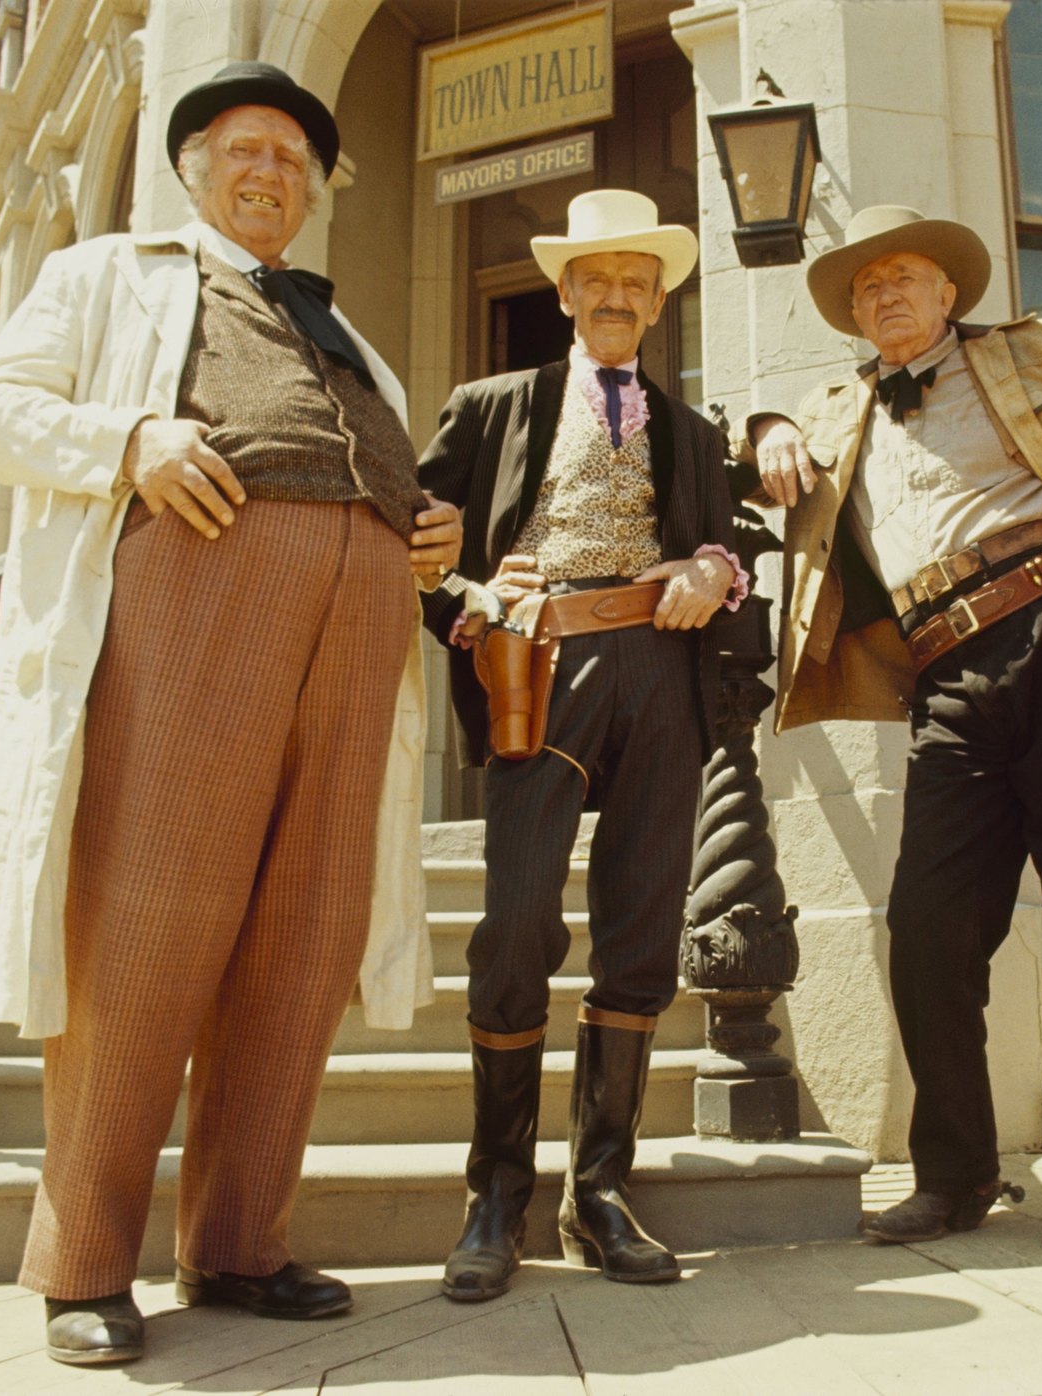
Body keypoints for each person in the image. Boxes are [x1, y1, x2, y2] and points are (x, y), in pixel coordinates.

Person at [0, 62, 463, 1365]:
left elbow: (383, 477)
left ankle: (240, 1242)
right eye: (245, 148)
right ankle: (84, 1266)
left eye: (294, 160)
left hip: (355, 635)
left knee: (307, 929)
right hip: (191, 599)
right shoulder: (106, 276)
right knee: (145, 917)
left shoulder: (355, 344)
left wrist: (429, 531)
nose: (270, 172)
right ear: (191, 169)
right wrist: (128, 442)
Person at [744, 205, 1042, 1248]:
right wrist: (766, 427)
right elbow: (728, 444)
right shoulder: (837, 407)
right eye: (863, 287)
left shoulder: (1037, 349)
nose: (881, 295)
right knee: (927, 930)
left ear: (947, 293)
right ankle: (955, 1173)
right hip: (942, 671)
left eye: (902, 277)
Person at [418, 189, 742, 1300]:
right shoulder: (491, 404)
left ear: (657, 303)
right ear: (563, 293)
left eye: (636, 283)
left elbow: (724, 550)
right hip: (538, 665)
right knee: (512, 923)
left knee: (642, 926)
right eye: (596, 280)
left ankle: (597, 1191)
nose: (616, 297)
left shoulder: (693, 433)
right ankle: (495, 1194)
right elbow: (409, 539)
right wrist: (471, 593)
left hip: (659, 668)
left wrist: (711, 573)